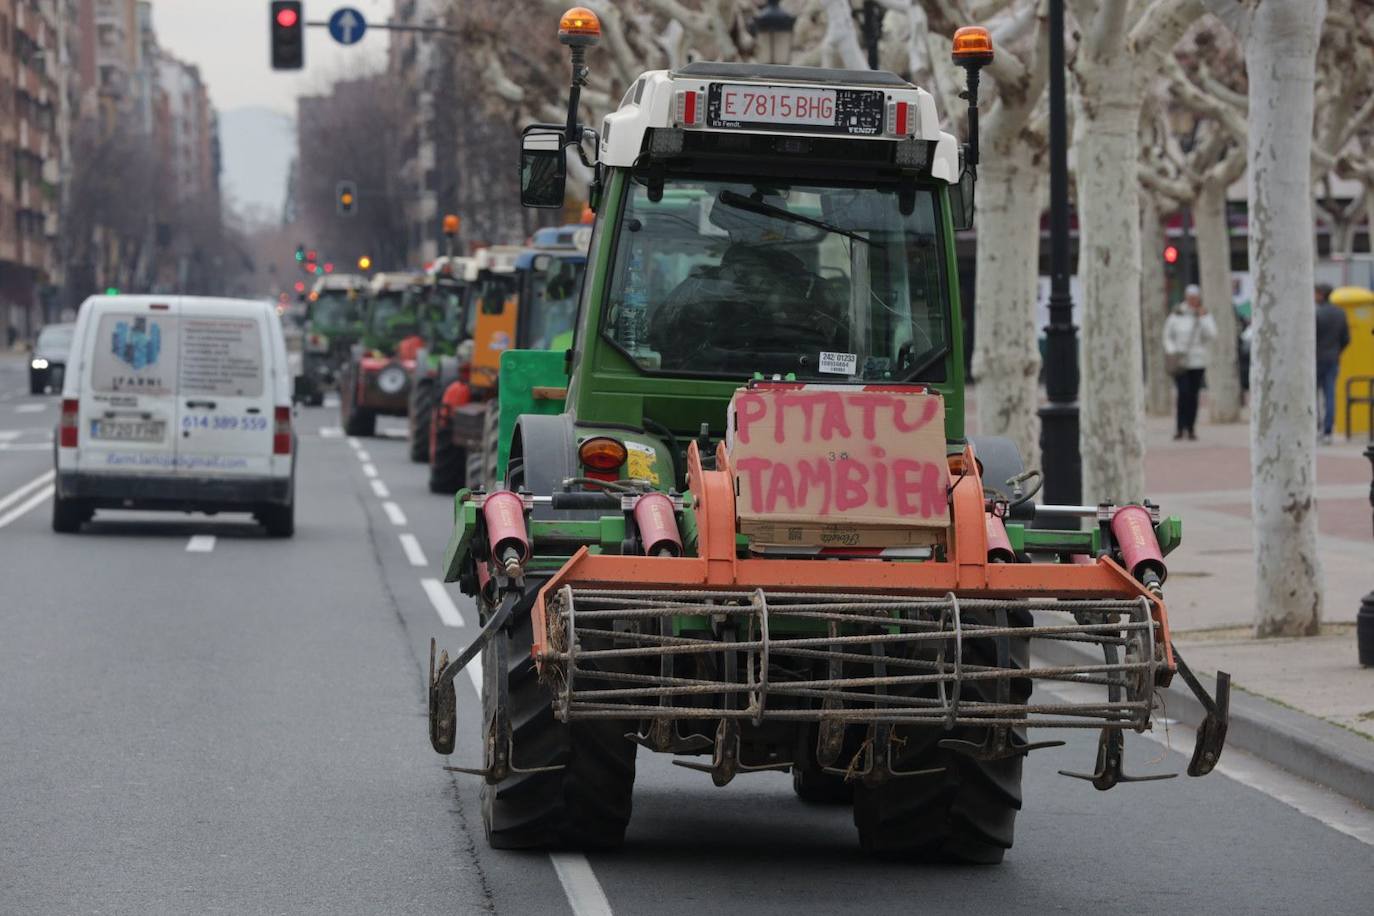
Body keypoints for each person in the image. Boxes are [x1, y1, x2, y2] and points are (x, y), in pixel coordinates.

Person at [1163, 284, 1217, 440]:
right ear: (1186, 298)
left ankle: (1191, 428)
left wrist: (1203, 318)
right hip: (1180, 361)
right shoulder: (1177, 314)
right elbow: (1167, 335)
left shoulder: (1203, 314)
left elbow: (1212, 335)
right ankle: (1180, 427)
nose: (1193, 300)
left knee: (1193, 395)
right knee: (1183, 393)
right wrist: (1172, 351)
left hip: (1198, 361)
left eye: (1196, 297)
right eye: (1190, 297)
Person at [1314, 283, 1351, 445]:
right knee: (1330, 394)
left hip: (1317, 359)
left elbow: (1311, 338)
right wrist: (1337, 351)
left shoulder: (1317, 313)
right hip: (1333, 358)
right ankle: (1328, 430)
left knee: (1313, 395)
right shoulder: (1340, 313)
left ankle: (1317, 427)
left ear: (1321, 294)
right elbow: (1346, 339)